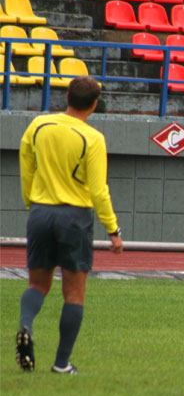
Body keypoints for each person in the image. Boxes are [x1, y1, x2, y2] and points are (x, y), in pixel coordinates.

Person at [17, 76, 123, 375]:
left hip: (40, 212)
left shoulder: (38, 125)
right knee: (74, 293)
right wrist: (113, 230)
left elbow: (27, 166)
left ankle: (26, 324)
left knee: (37, 283)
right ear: (94, 104)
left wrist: (31, 202)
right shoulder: (93, 138)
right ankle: (62, 364)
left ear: (67, 96)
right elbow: (98, 190)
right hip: (74, 218)